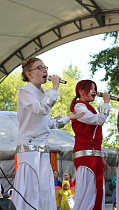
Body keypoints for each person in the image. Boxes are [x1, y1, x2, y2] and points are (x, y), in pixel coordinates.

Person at [11, 57, 84, 210]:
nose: (45, 70)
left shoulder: (43, 93)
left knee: (45, 192)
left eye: (45, 67)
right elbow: (42, 109)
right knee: (31, 192)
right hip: (30, 151)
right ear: (29, 73)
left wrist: (68, 117)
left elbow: (46, 124)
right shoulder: (25, 91)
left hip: (43, 151)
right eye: (40, 68)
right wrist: (55, 88)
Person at [70, 79, 110, 210]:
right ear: (81, 91)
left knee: (98, 191)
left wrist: (101, 156)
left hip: (95, 155)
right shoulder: (79, 107)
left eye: (95, 89)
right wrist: (106, 103)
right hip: (85, 154)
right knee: (87, 194)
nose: (94, 91)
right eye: (91, 89)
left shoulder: (90, 108)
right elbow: (99, 120)